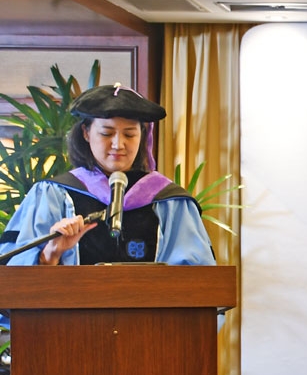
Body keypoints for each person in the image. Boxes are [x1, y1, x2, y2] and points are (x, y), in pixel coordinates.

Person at [0, 83, 215, 267]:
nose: (118, 144)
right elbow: (12, 277)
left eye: (129, 134)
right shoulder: (52, 195)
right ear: (86, 132)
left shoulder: (170, 201)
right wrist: (50, 254)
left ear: (142, 136)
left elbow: (198, 277)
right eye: (107, 133)